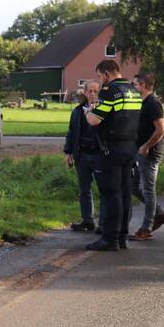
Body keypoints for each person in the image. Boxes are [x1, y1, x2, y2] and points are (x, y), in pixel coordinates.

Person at [84, 59, 143, 251]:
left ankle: (110, 238)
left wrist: (88, 112)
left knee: (111, 194)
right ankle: (122, 236)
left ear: (107, 74)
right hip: (130, 148)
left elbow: (94, 120)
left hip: (111, 149)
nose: (101, 81)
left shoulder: (110, 92)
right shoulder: (134, 91)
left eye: (100, 77)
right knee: (125, 193)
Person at [129, 72, 164, 241]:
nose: (133, 87)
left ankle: (146, 228)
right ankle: (159, 214)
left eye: (135, 84)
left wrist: (146, 146)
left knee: (148, 190)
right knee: (133, 187)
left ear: (143, 85)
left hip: (150, 154)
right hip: (141, 153)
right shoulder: (145, 103)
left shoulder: (153, 103)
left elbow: (161, 130)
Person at [64, 79, 105, 233]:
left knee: (104, 190)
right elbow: (71, 132)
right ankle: (87, 220)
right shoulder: (77, 111)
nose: (93, 94)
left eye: (95, 91)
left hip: (100, 155)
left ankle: (103, 223)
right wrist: (68, 152)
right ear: (85, 92)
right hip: (82, 155)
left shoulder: (105, 110)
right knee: (84, 189)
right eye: (90, 91)